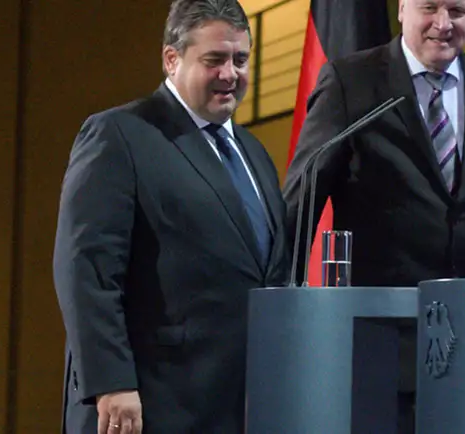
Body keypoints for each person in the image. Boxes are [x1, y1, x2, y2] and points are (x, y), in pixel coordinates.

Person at [282, 0, 465, 432]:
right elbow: (300, 207)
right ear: (401, 9)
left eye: (457, 10)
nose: (443, 24)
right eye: (429, 7)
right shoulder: (351, 82)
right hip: (378, 340)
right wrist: (285, 315)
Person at [52, 1, 288, 432]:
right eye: (214, 60)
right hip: (150, 405)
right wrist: (111, 382)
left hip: (239, 406)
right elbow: (85, 268)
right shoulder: (119, 135)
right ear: (171, 59)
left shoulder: (255, 153)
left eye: (240, 60)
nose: (230, 74)